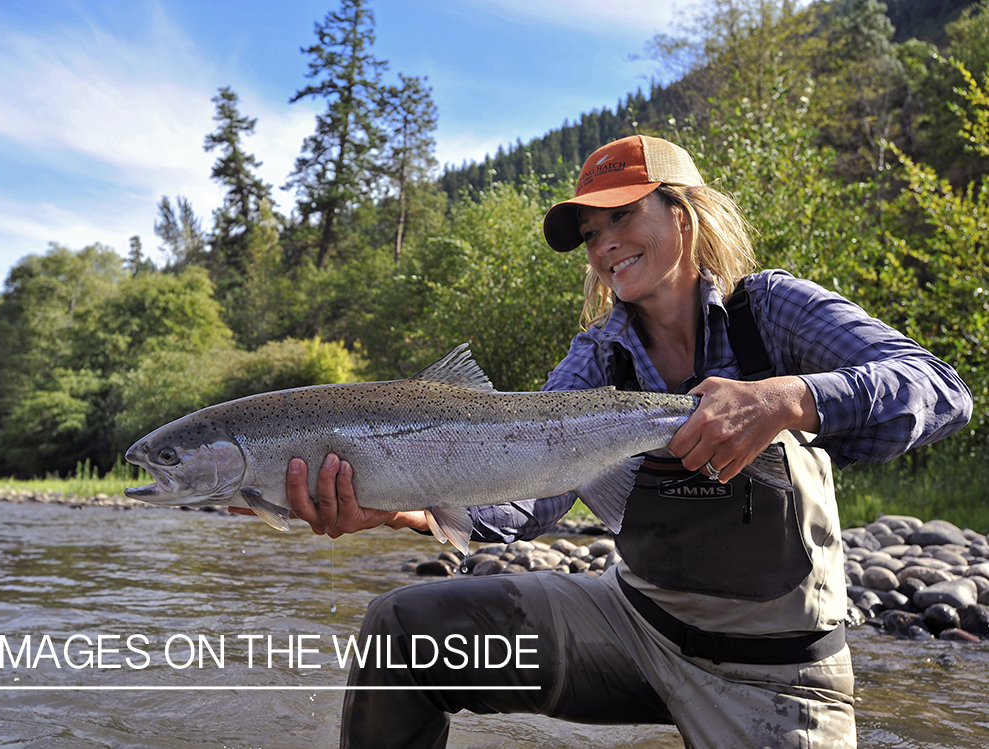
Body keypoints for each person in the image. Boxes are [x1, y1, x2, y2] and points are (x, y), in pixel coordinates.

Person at [273, 135, 973, 748]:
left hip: (777, 665)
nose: (603, 241)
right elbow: (532, 496)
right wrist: (409, 506)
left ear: (684, 211)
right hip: (632, 628)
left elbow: (939, 389)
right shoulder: (595, 357)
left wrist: (786, 397)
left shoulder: (771, 311)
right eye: (589, 230)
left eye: (622, 213)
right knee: (402, 627)